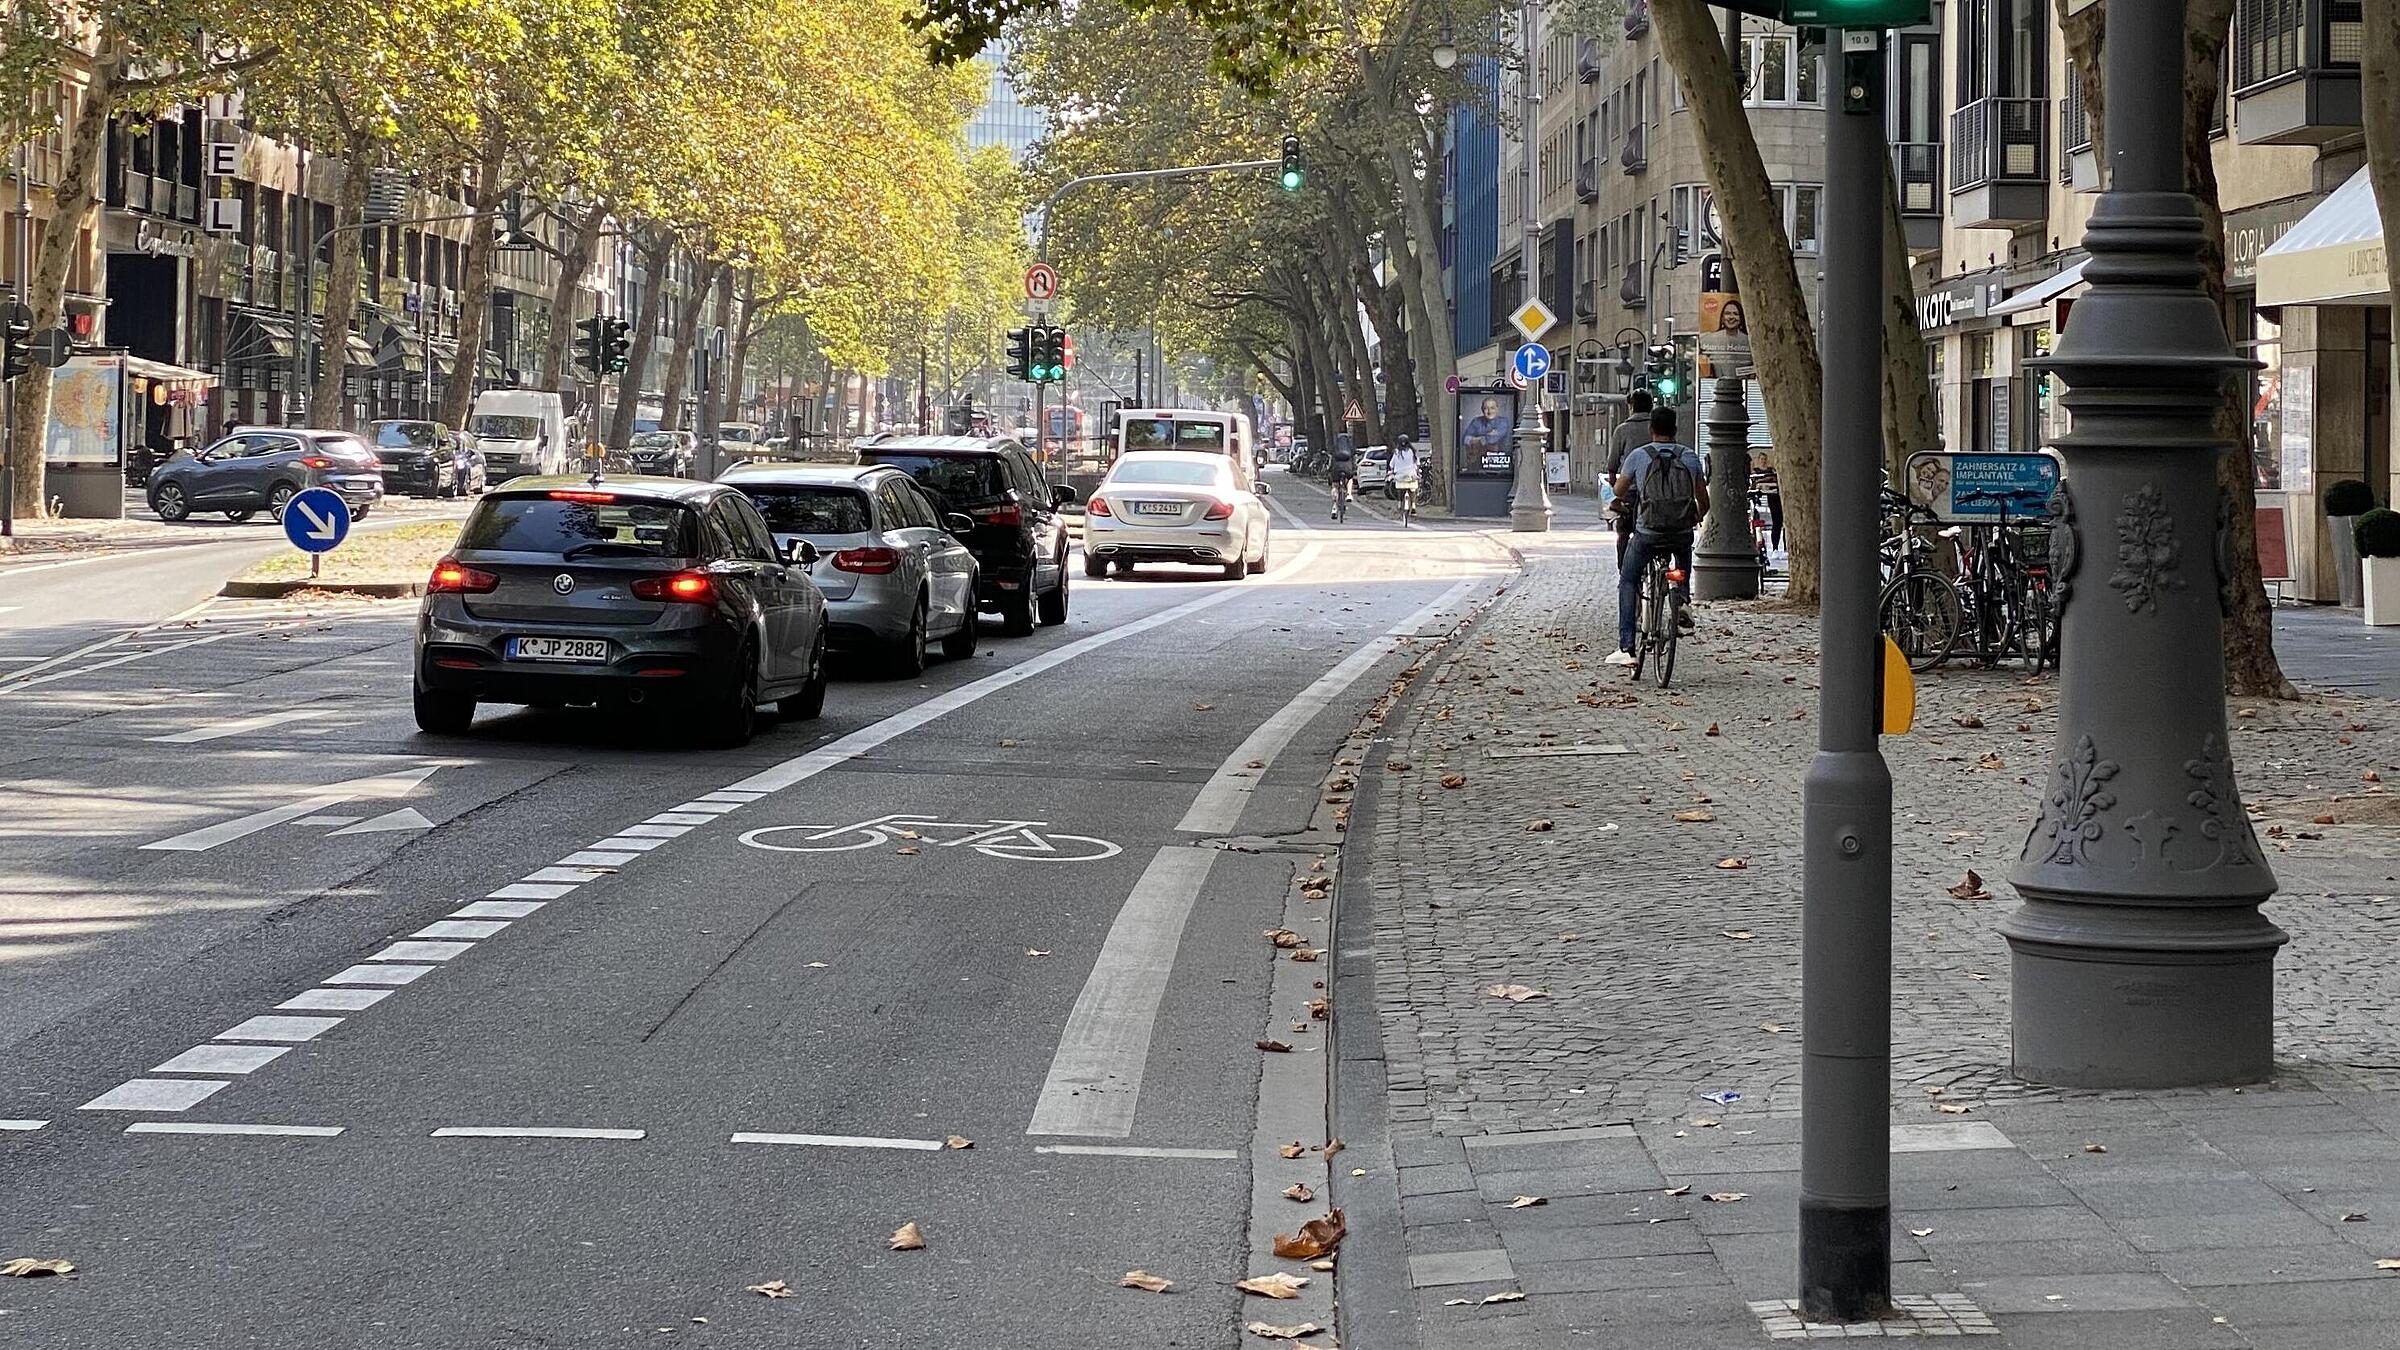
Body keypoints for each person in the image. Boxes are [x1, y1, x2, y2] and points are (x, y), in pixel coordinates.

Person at [1607, 407, 1709, 666]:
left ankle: (1626, 647)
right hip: (1680, 533)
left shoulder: (1638, 456)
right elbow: (1703, 501)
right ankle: (1682, 596)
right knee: (1682, 555)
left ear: (1651, 430)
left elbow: (1618, 492)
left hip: (1647, 534)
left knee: (1628, 580)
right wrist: (1694, 517)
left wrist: (1619, 506)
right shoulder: (1690, 457)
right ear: (1675, 430)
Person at [1605, 390, 1655, 564]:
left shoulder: (1623, 430)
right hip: (1659, 492)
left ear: (1631, 407)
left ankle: (1624, 572)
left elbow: (1611, 466)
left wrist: (1617, 494)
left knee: (1624, 532)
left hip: (1632, 492)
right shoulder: (1657, 427)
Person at [1462, 397, 1512, 472]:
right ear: (1482, 410)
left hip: (1499, 463)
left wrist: (1476, 439)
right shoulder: (1476, 421)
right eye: (1486, 408)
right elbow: (1464, 439)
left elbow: (1492, 440)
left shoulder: (1503, 422)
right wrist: (1485, 437)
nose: (1489, 411)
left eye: (1492, 408)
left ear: (1497, 409)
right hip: (1478, 463)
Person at [1326, 437, 1358, 519]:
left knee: (1335, 485)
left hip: (1336, 468)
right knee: (1350, 479)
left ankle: (1334, 507)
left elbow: (1330, 460)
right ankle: (1349, 494)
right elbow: (1354, 458)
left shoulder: (1335, 448)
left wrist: (1329, 469)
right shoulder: (1350, 448)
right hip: (1347, 467)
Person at [1389, 438, 1420, 518]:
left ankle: (1399, 503)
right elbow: (1417, 463)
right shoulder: (1412, 452)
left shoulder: (1396, 452)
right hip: (1410, 475)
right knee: (1412, 489)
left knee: (1399, 488)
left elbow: (1391, 465)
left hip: (1399, 476)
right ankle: (1413, 506)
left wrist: (1392, 471)